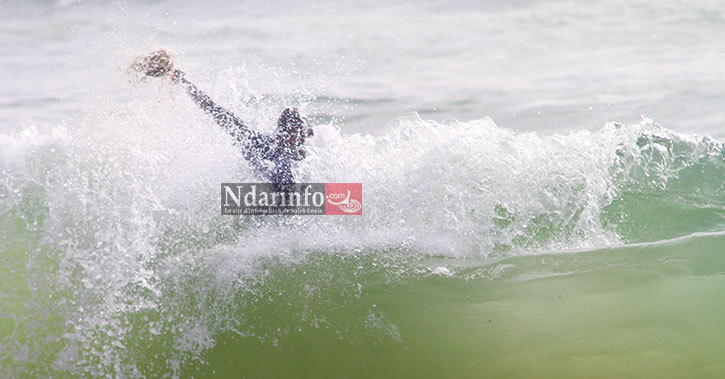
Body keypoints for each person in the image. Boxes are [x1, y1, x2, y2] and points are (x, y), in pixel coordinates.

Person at [133, 50, 313, 184]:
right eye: (288, 132)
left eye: (299, 134)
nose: (292, 137)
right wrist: (184, 82)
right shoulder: (261, 144)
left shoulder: (312, 161)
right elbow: (217, 112)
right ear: (280, 132)